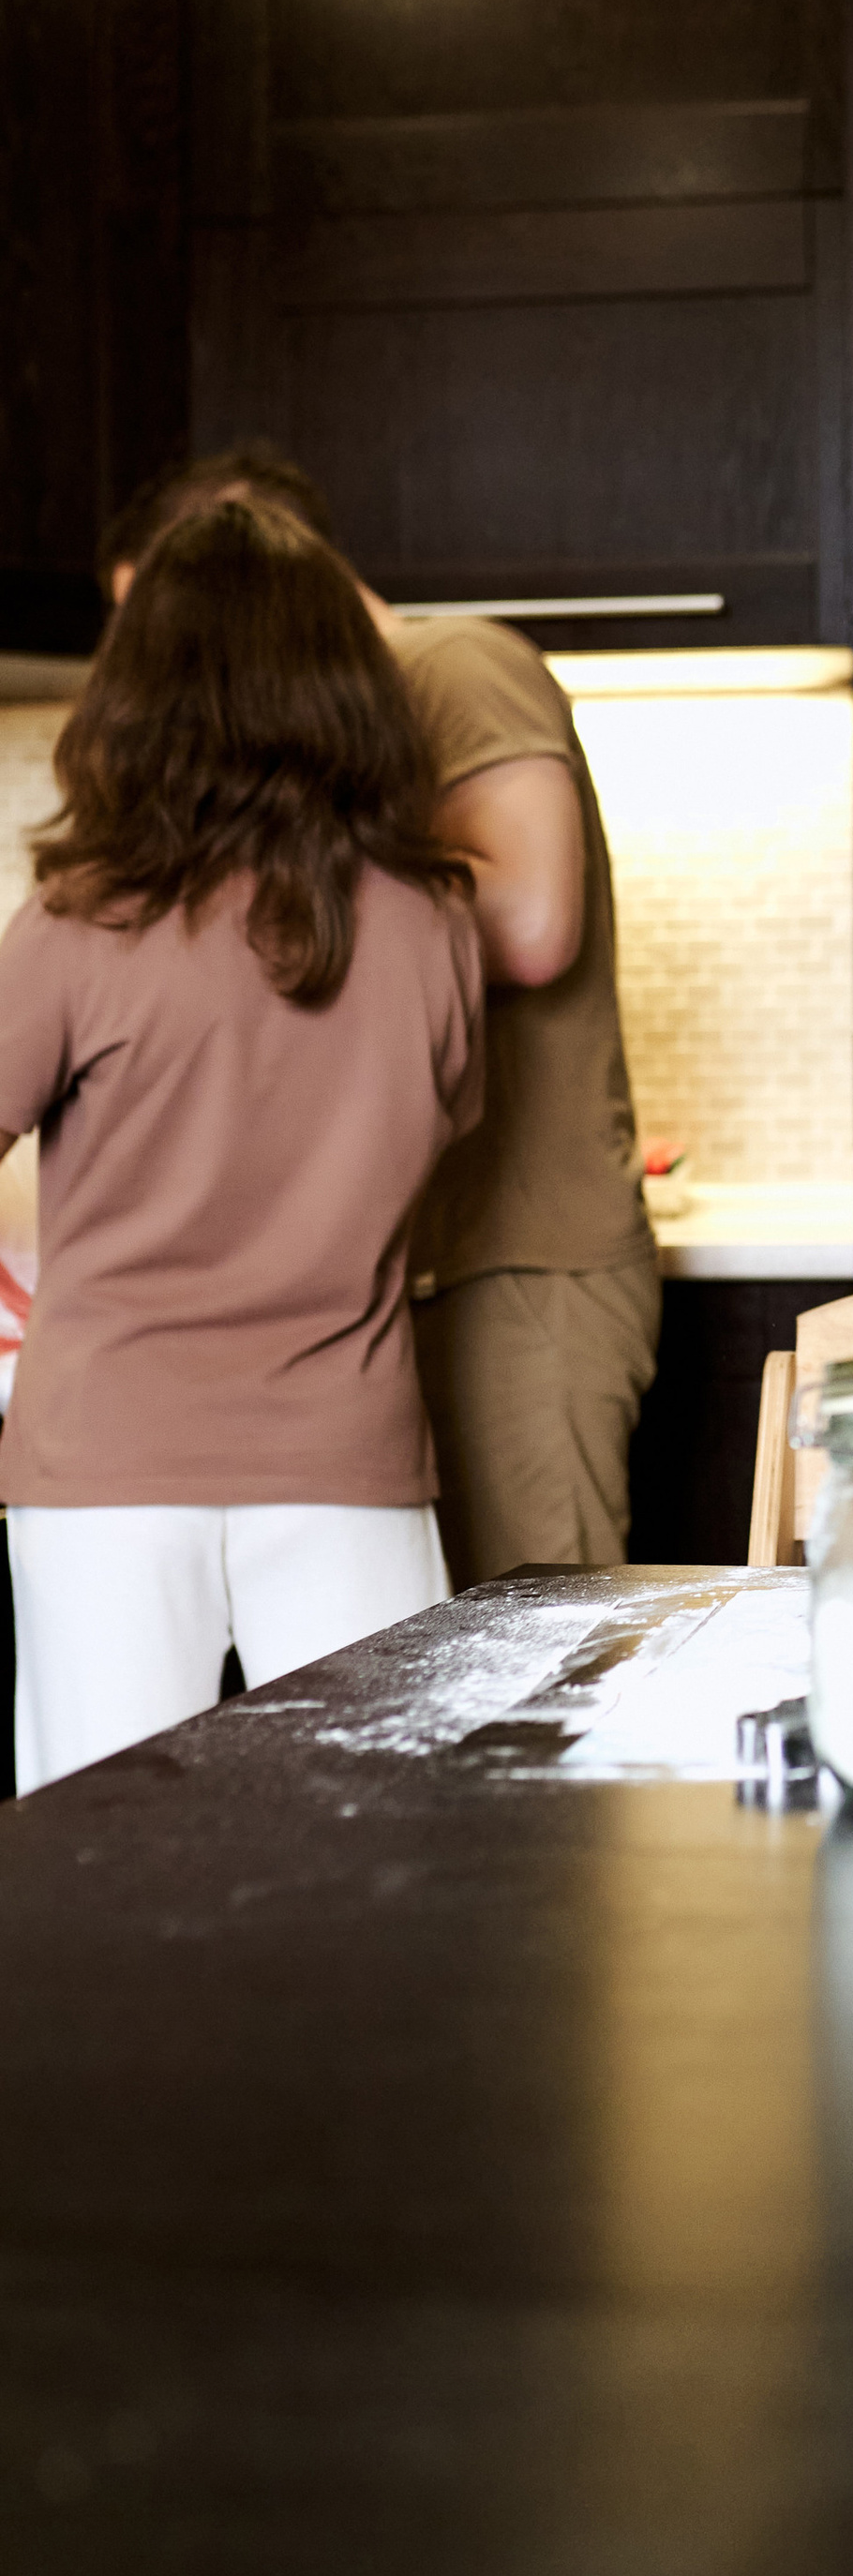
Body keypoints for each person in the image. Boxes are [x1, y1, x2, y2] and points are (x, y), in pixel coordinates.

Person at [97, 447, 659, 1584]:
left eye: (171, 613)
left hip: (517, 1264)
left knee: (539, 1670)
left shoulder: (449, 664)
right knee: (420, 1682)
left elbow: (538, 923)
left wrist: (265, 876)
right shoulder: (329, 737)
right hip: (412, 1274)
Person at [0, 495, 484, 1790]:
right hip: (347, 1460)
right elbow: (439, 1128)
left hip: (108, 1468)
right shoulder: (436, 922)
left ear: (136, 688)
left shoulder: (76, 922)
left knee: (96, 1874)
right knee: (378, 1866)